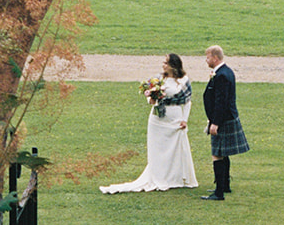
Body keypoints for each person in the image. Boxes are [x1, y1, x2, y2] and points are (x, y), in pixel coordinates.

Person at [100, 54, 198, 193]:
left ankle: (175, 177)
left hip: (174, 117)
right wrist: (152, 99)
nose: (163, 65)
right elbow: (152, 98)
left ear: (173, 65)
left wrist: (184, 119)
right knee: (157, 149)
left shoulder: (183, 80)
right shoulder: (159, 79)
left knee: (175, 148)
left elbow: (187, 101)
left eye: (166, 62)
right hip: (158, 119)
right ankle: (158, 176)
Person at [201, 44, 249, 201]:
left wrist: (215, 123)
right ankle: (225, 185)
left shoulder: (222, 75)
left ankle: (219, 192)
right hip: (226, 118)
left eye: (207, 57)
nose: (206, 60)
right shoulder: (225, 71)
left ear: (215, 58)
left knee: (217, 154)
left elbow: (221, 101)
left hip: (223, 120)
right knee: (223, 152)